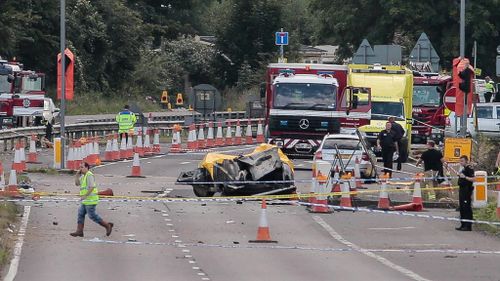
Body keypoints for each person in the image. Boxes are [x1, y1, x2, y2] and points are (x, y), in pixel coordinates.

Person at [70, 162, 113, 237]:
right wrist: (76, 176)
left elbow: (92, 187)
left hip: (91, 200)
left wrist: (85, 196)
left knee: (92, 215)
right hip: (85, 200)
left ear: (87, 168)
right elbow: (77, 184)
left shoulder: (89, 175)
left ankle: (107, 225)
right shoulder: (83, 176)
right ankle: (79, 231)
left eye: (82, 167)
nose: (80, 169)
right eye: (80, 167)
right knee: (80, 214)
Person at [454, 155, 475, 231]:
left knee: (466, 207)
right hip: (462, 189)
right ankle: (463, 224)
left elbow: (473, 179)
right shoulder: (463, 169)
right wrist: (460, 175)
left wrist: (465, 177)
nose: (461, 162)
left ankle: (468, 225)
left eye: (462, 161)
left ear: (466, 161)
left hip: (467, 190)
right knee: (462, 207)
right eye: (460, 161)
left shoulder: (469, 168)